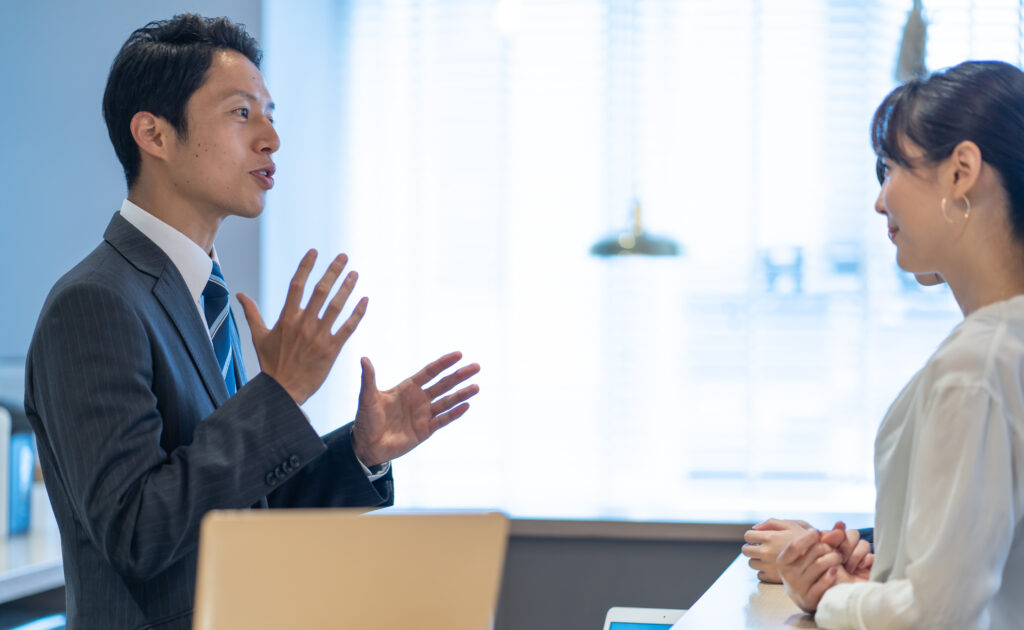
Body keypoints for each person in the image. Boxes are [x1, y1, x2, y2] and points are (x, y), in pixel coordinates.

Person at [24, 14, 480, 629]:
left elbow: (239, 510)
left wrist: (359, 452)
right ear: (154, 134)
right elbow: (137, 532)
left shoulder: (204, 296)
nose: (271, 139)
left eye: (270, 114)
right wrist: (281, 394)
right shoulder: (93, 303)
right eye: (241, 113)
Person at [775, 60, 1024, 629]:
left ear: (961, 171)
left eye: (890, 169)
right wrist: (883, 581)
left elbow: (935, 616)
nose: (880, 202)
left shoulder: (978, 360)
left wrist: (833, 598)